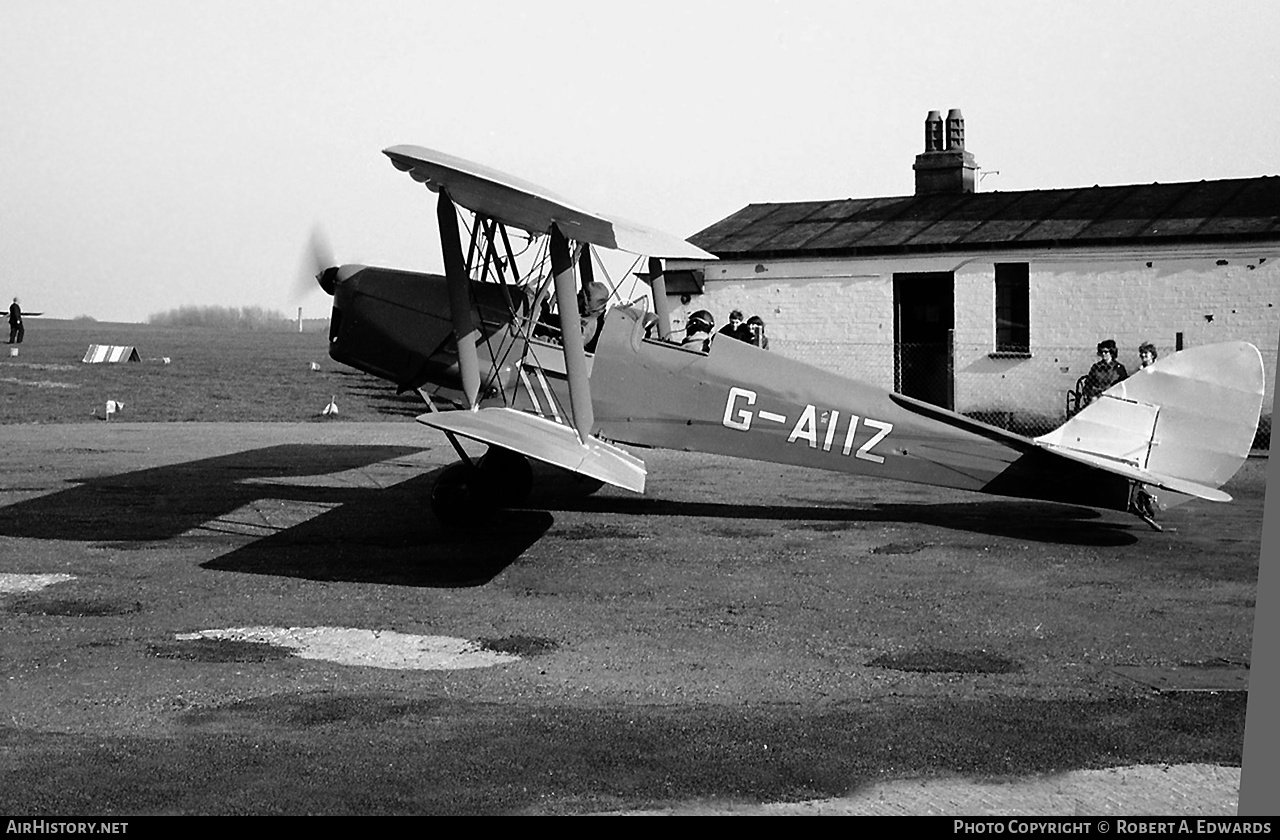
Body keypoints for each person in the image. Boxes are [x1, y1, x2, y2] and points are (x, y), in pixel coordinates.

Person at [1083, 338, 1127, 404]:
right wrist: (1093, 394)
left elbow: (1123, 387)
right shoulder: (1096, 367)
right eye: (1101, 352)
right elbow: (1088, 384)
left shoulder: (1119, 368)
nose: (1103, 354)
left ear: (1111, 352)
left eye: (1106, 352)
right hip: (1098, 397)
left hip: (1113, 398)